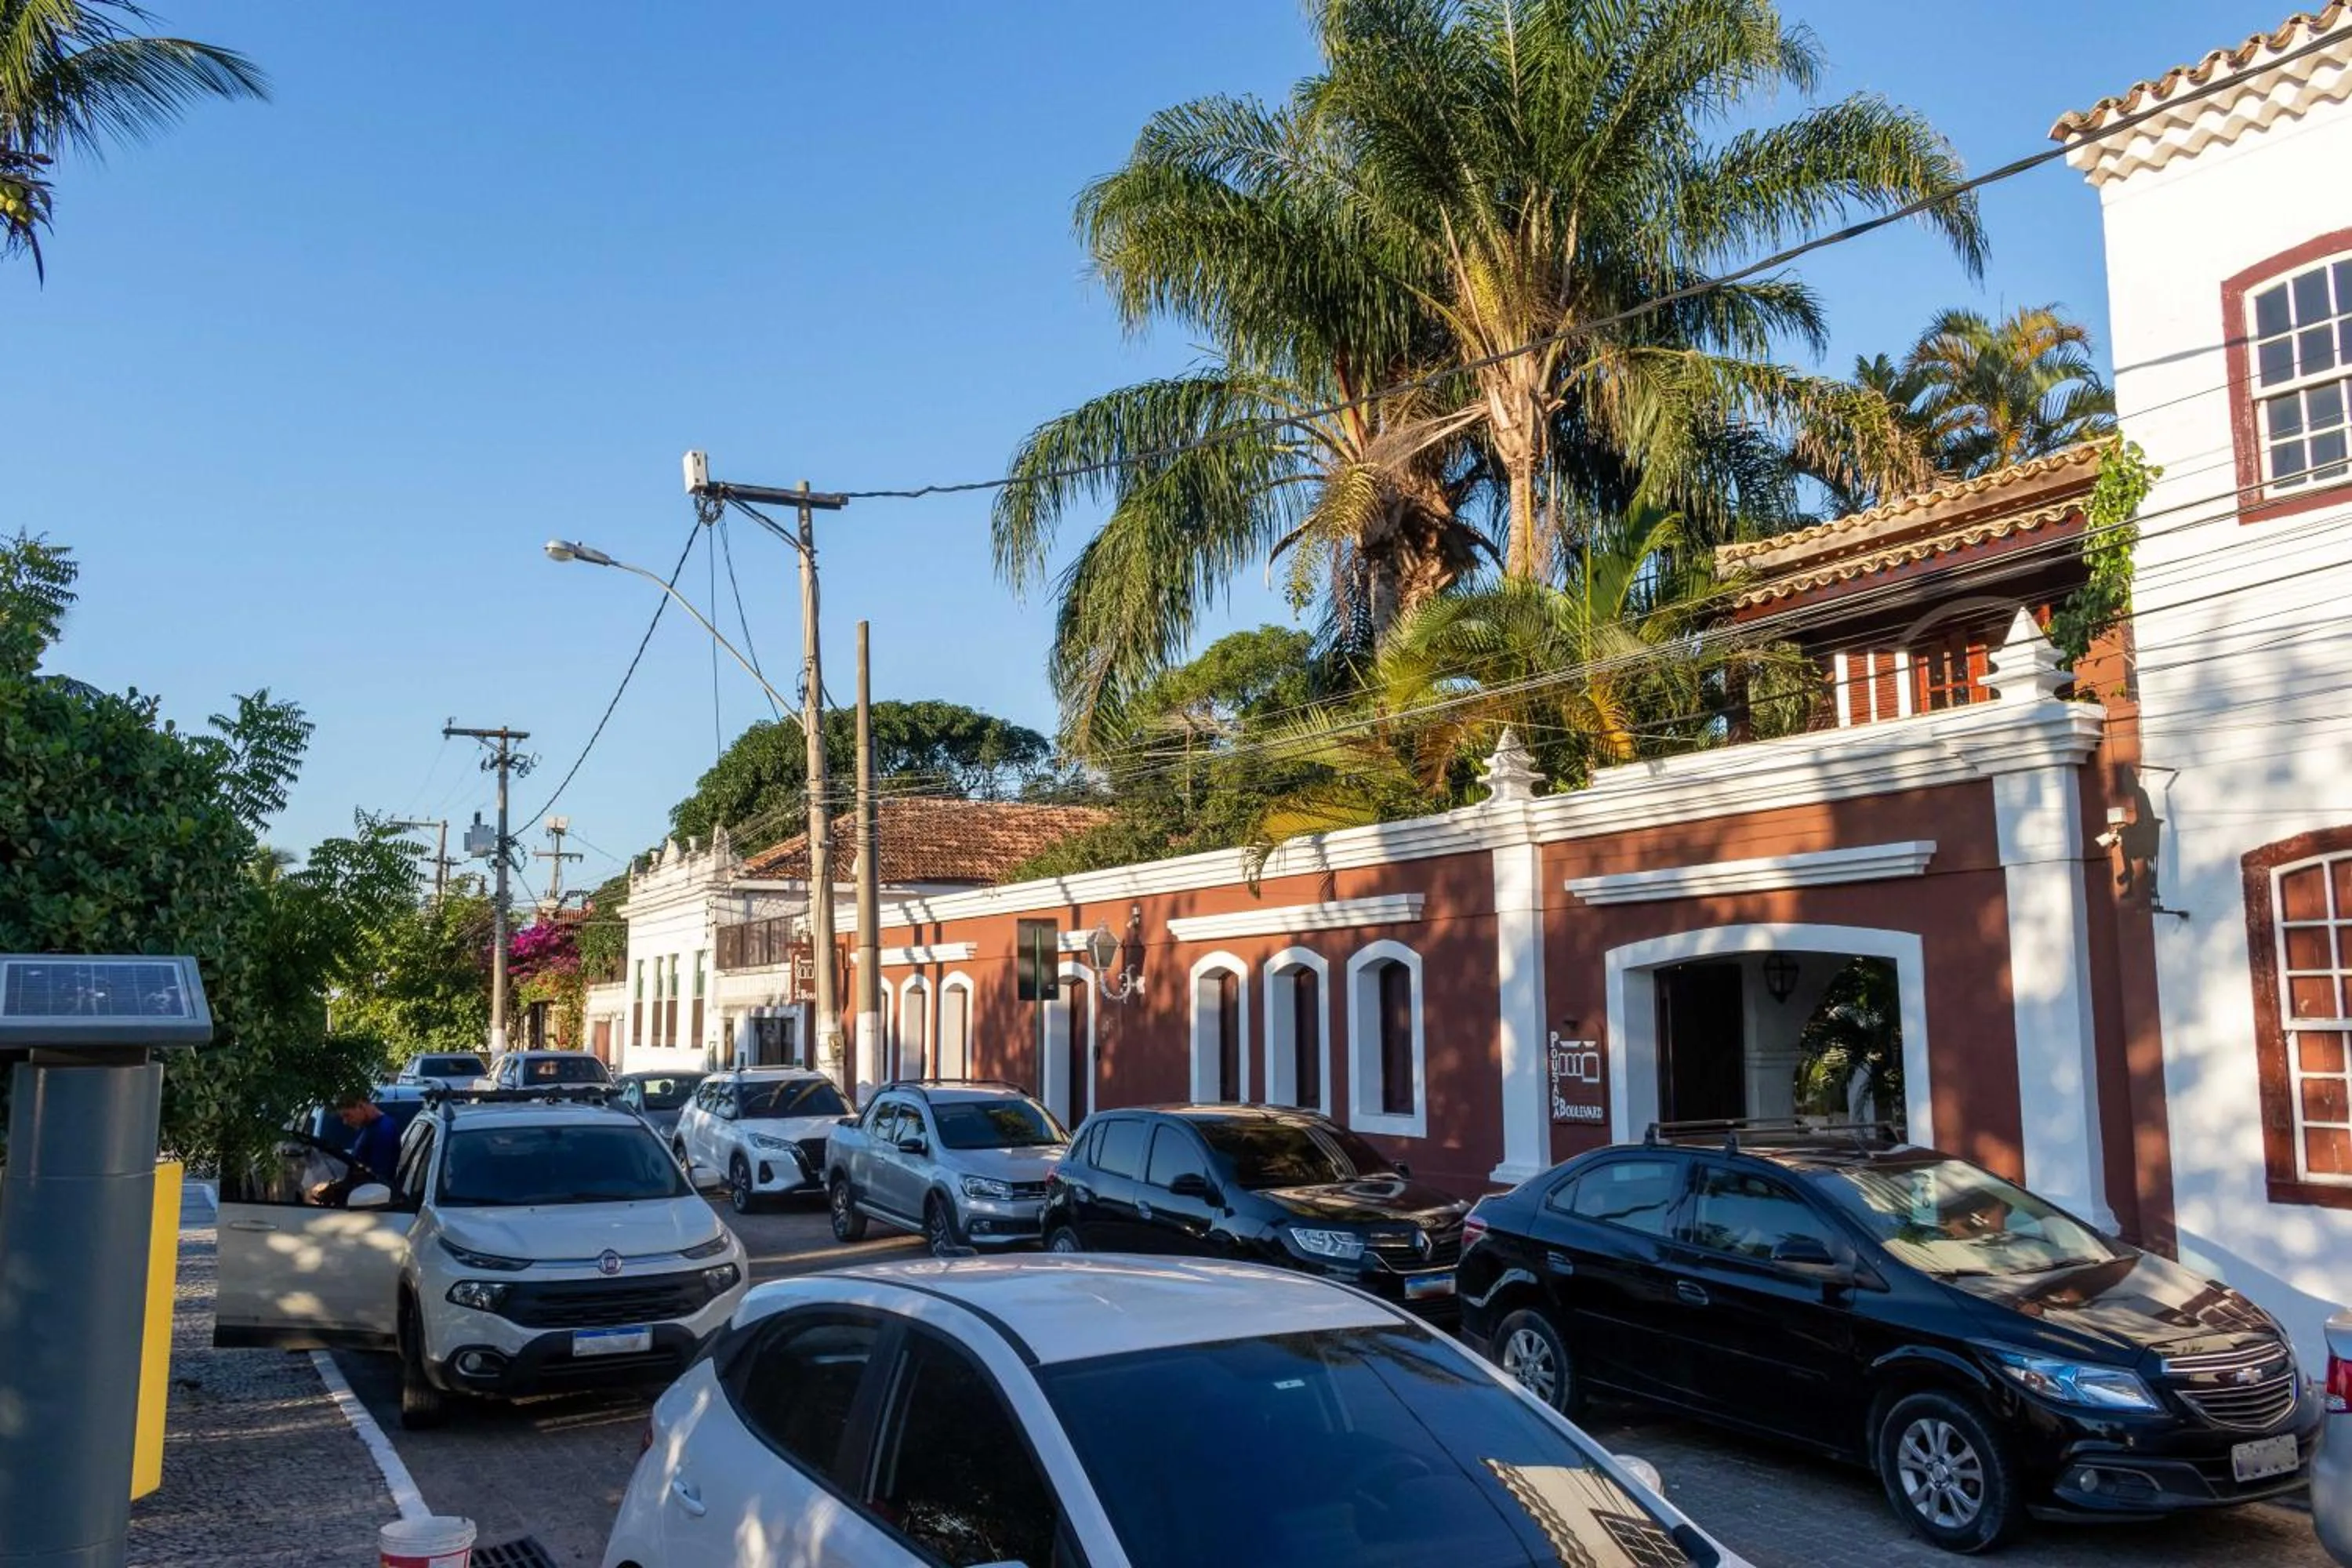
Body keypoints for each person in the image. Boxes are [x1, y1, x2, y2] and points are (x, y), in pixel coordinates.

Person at [336, 1094, 401, 1189]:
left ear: (361, 1106)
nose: (345, 1122)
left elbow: (379, 1178)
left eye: (347, 1115)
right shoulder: (370, 1127)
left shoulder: (384, 1130)